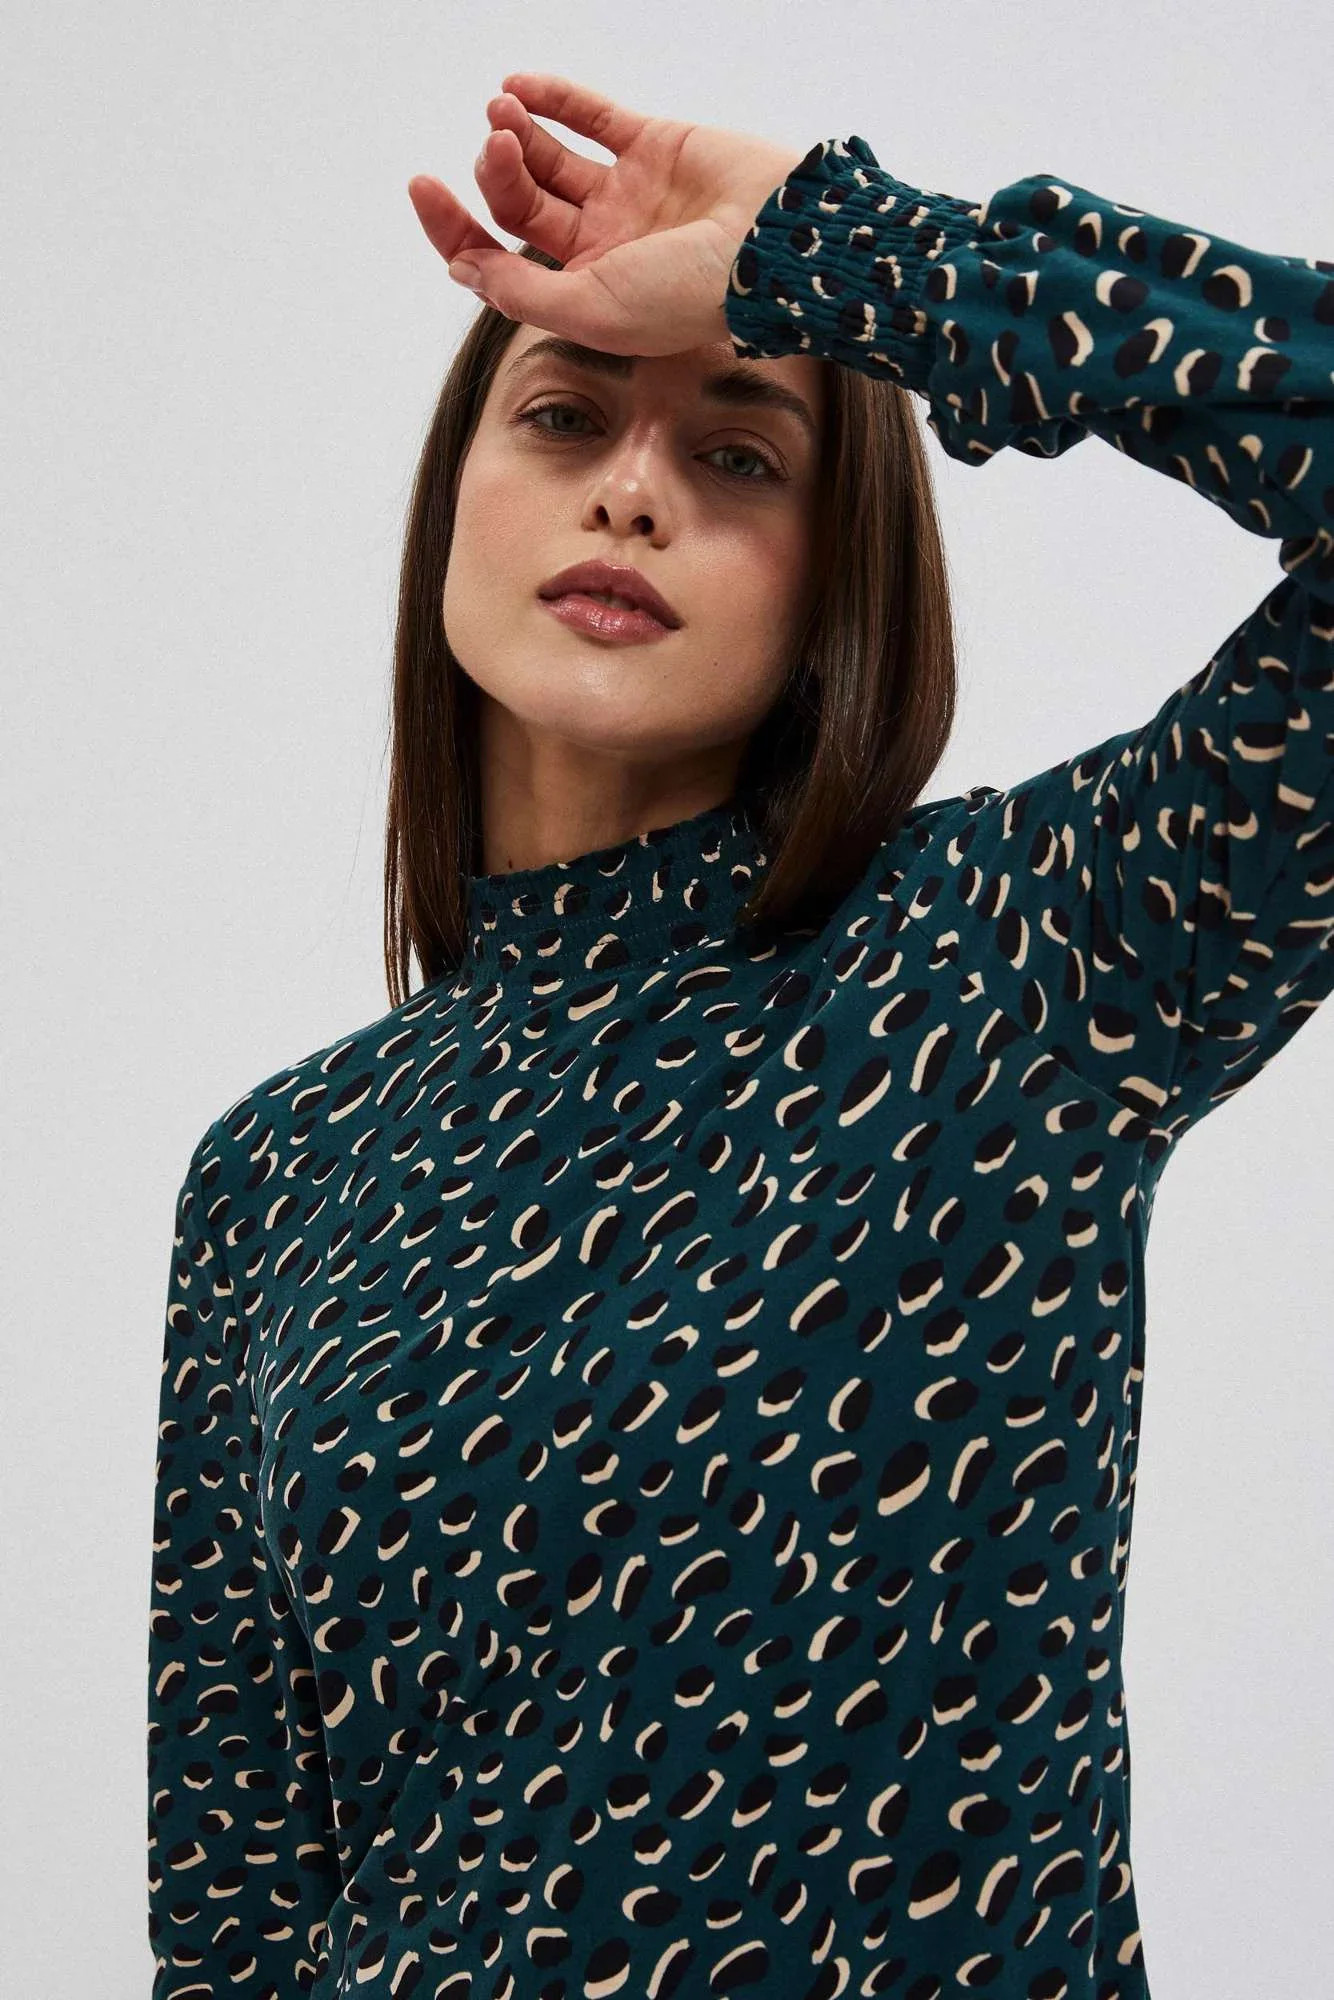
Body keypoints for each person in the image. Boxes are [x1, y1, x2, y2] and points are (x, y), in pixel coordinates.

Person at [147, 73, 1333, 1999]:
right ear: (454, 496)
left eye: (740, 453)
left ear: (836, 578)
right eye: (563, 416)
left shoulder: (1013, 960)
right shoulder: (278, 1171)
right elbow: (237, 1912)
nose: (632, 490)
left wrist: (853, 255)